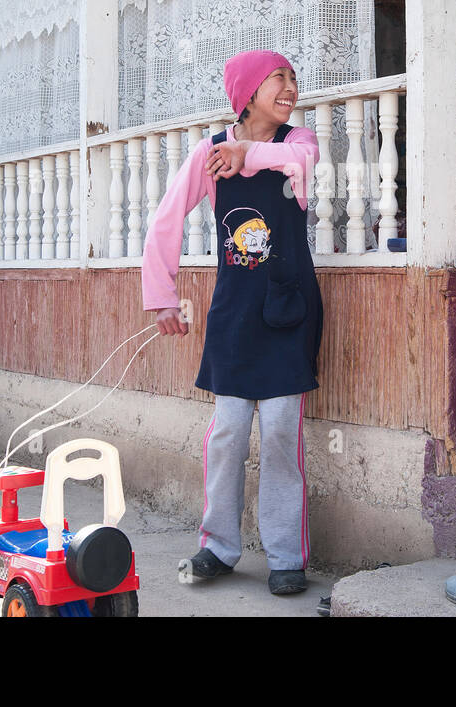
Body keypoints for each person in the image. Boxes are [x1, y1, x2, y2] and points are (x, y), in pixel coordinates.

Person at [142, 49, 323, 595]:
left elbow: (301, 166)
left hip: (290, 310)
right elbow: (166, 220)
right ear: (246, 92)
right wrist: (162, 296)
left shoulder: (299, 142)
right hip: (235, 313)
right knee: (226, 435)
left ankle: (286, 556)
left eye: (293, 78)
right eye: (277, 79)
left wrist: (246, 151)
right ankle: (218, 546)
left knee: (279, 435)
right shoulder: (208, 152)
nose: (290, 87)